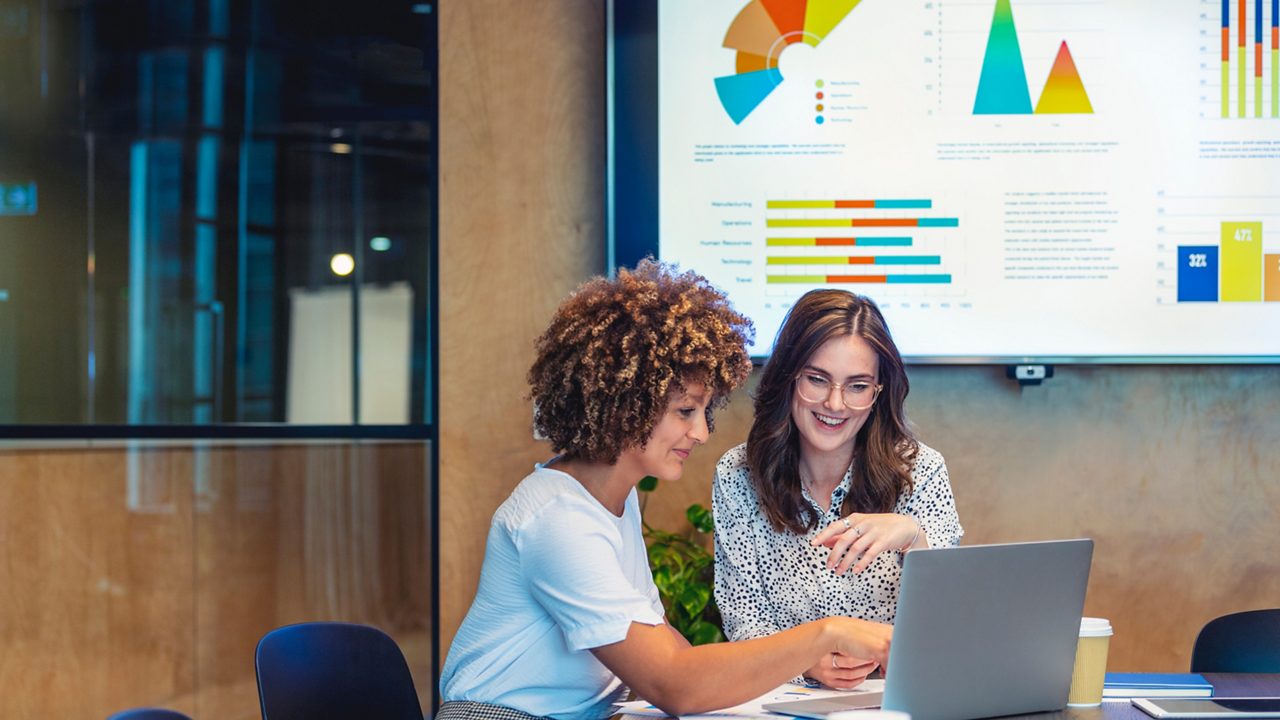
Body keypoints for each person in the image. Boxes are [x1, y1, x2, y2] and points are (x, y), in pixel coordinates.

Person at [439, 261, 893, 720]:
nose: (701, 432)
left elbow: (671, 651)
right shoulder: (557, 519)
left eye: (703, 411)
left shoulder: (613, 500)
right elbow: (673, 682)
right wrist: (827, 633)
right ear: (624, 404)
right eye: (684, 411)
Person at [713, 288, 963, 690]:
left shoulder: (921, 470)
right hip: (781, 701)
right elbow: (743, 617)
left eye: (857, 386)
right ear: (788, 377)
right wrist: (806, 664)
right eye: (817, 379)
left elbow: (951, 619)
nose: (835, 403)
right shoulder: (738, 474)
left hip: (894, 701)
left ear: (878, 392)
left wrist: (914, 537)